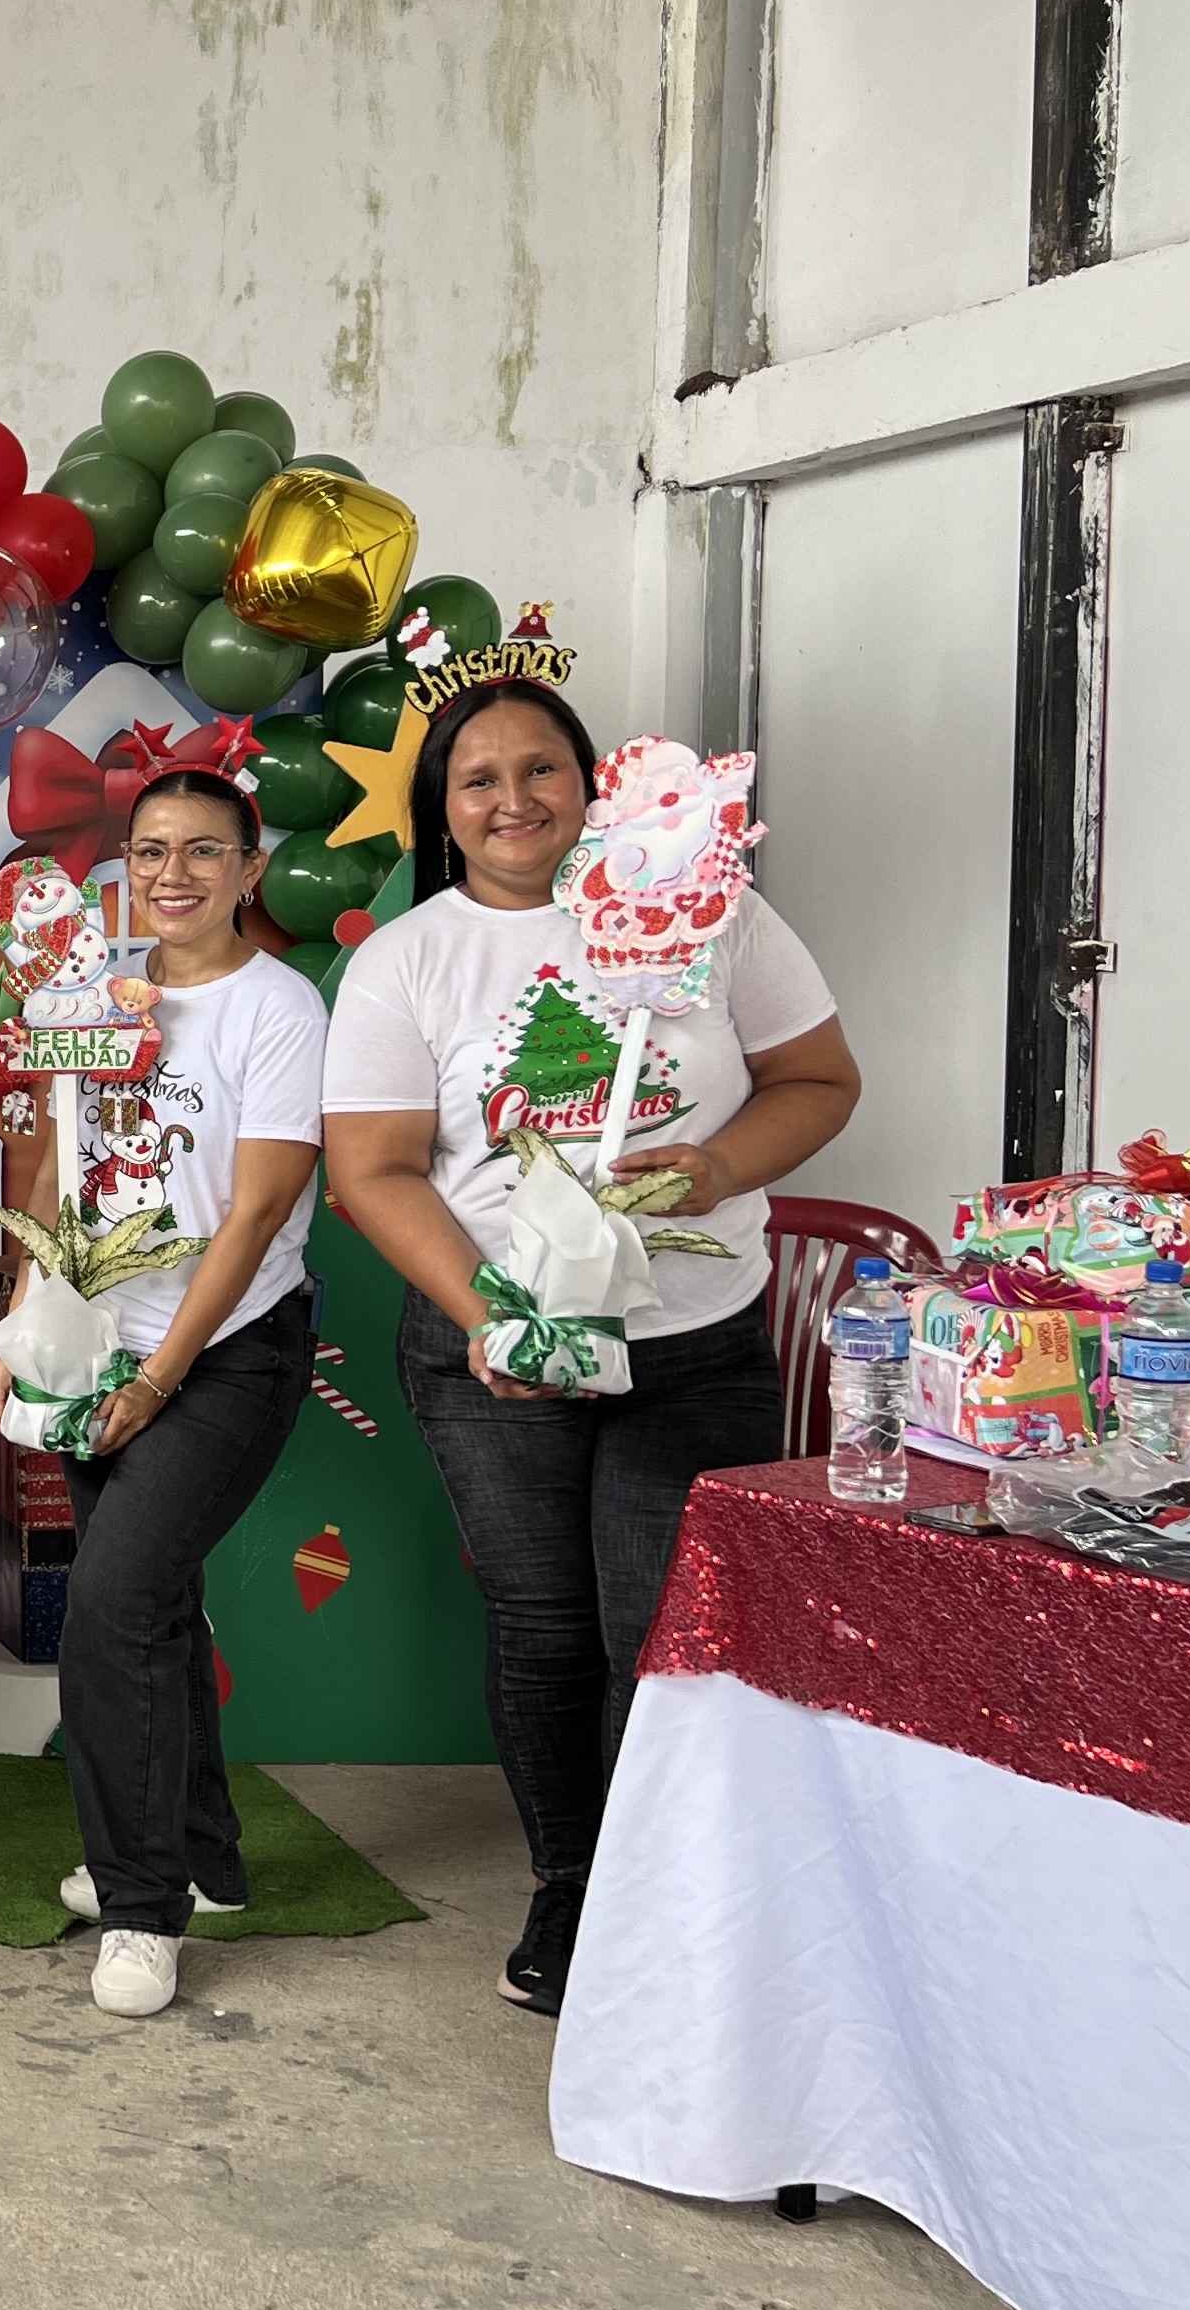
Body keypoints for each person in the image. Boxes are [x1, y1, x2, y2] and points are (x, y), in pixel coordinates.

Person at [321, 677, 859, 2018]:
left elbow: (820, 1079)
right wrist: (497, 1315)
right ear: (443, 809)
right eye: (478, 779)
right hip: (499, 1353)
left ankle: (653, 1895)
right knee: (549, 1626)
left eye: (541, 769)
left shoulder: (714, 916)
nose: (514, 800)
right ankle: (572, 1882)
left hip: (696, 1344)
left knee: (661, 1632)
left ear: (593, 783)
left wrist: (720, 1165)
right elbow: (373, 1170)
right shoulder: (409, 960)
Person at [0, 771, 327, 2021]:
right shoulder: (99, 995)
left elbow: (258, 1209)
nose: (171, 875)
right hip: (92, 1344)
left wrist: (160, 1375)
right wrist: (28, 1319)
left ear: (250, 869)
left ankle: (140, 1906)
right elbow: (59, 1161)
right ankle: (203, 1858)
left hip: (224, 1353)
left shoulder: (279, 1006)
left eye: (201, 851)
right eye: (148, 852)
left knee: (115, 1605)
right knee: (158, 1606)